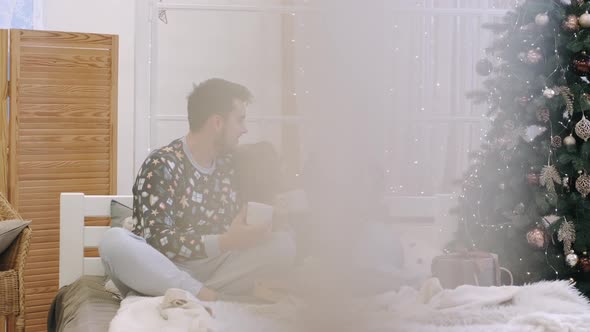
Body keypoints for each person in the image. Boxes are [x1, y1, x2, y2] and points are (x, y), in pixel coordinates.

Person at [99, 78, 296, 302]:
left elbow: (242, 224)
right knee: (113, 241)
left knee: (284, 244)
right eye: (240, 120)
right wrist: (226, 241)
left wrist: (272, 220)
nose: (245, 129)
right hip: (166, 266)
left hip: (216, 268)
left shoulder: (230, 165)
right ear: (217, 123)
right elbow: (157, 241)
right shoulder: (162, 164)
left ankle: (185, 291)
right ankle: (205, 294)